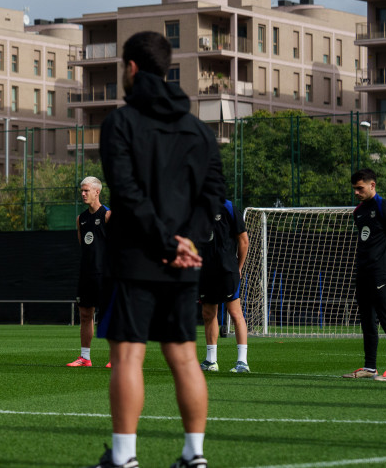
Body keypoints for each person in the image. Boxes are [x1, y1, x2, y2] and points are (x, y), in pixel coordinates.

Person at [92, 31, 225, 468]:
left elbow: (126, 193)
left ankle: (125, 458)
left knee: (128, 352)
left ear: (131, 68)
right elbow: (214, 196)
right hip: (185, 259)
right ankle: (194, 455)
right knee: (185, 355)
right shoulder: (201, 132)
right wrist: (187, 241)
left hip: (135, 256)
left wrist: (167, 243)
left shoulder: (119, 123)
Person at [342, 169, 386, 382]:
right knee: (368, 321)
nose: (356, 193)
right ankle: (370, 367)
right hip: (363, 273)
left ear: (372, 185)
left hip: (382, 274)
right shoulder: (358, 211)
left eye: (360, 188)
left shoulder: (384, 207)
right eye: (354, 189)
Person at [198, 198, 250, 373]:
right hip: (205, 271)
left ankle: (242, 362)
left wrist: (239, 267)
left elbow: (243, 240)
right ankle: (211, 361)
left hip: (227, 270)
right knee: (208, 314)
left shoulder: (228, 207)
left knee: (235, 312)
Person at [67, 176, 111, 368]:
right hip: (86, 273)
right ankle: (85, 357)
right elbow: (83, 245)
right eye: (82, 191)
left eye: (86, 191)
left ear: (97, 192)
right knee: (85, 314)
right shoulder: (81, 219)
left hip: (106, 275)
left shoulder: (108, 216)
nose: (83, 194)